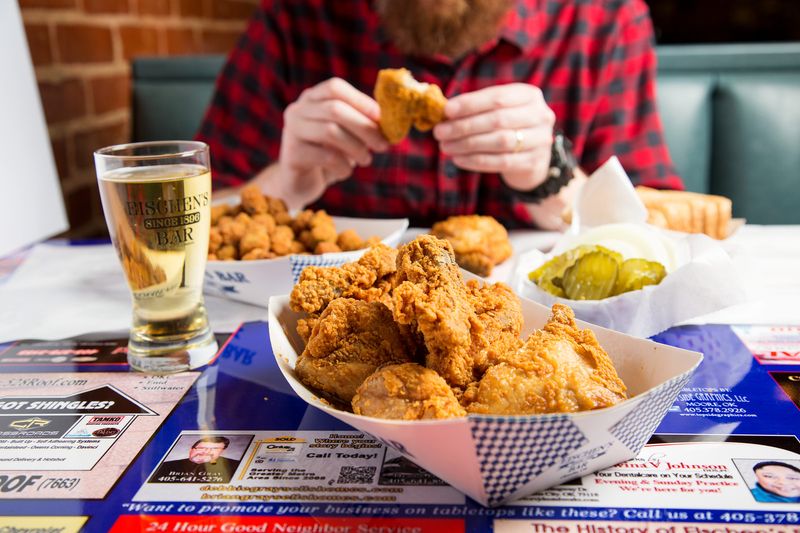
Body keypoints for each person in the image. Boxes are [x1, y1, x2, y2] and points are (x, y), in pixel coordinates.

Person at [197, 0, 683, 230]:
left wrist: (550, 178)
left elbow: (662, 230)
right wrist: (286, 184)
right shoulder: (295, 19)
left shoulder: (604, 20)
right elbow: (192, 226)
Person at [150, 436, 241, 484]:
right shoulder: (164, 466)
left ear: (222, 452)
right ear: (191, 449)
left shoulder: (237, 467)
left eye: (214, 449)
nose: (206, 452)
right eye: (201, 448)